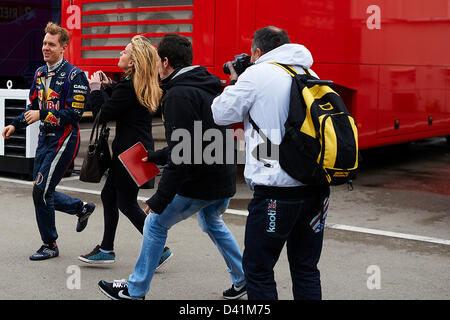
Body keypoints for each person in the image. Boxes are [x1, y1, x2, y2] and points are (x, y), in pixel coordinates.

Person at [97, 34, 246, 300]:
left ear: (165, 62)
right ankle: (243, 277)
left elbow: (184, 155)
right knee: (212, 221)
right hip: (222, 176)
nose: (154, 68)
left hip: (201, 180)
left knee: (154, 224)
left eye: (155, 62)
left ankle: (135, 289)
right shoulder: (204, 86)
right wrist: (157, 156)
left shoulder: (178, 95)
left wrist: (160, 198)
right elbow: (196, 141)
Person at [211, 26, 330, 300]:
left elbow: (220, 113)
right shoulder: (309, 73)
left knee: (258, 269)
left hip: (277, 191)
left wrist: (235, 80)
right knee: (306, 268)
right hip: (316, 188)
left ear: (257, 51)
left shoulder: (257, 73)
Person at [1, 22, 95, 260]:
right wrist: (15, 123)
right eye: (44, 43)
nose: (45, 48)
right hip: (44, 139)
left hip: (64, 139)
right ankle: (80, 208)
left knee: (41, 192)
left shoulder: (75, 76)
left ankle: (50, 244)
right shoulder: (40, 73)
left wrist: (42, 115)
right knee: (42, 191)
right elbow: (33, 107)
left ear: (63, 46)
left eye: (51, 44)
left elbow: (74, 115)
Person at [79, 35, 172, 267]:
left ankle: (158, 249)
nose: (120, 54)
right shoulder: (137, 84)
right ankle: (106, 249)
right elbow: (121, 106)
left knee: (126, 203)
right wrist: (109, 87)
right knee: (110, 196)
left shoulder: (130, 87)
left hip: (128, 155)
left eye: (125, 52)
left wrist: (95, 89)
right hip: (137, 150)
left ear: (133, 62)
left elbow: (103, 114)